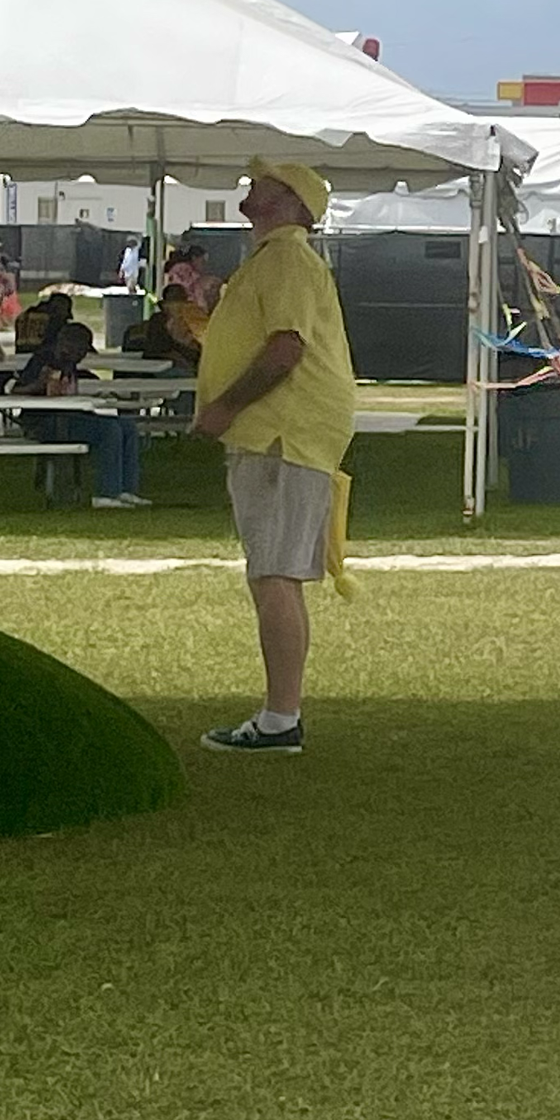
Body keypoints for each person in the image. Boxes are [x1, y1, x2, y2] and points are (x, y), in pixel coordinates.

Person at [194, 165, 358, 752]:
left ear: (290, 202)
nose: (251, 185)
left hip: (280, 433)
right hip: (278, 433)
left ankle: (280, 719)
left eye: (265, 181)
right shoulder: (274, 261)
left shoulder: (287, 258)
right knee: (271, 572)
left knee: (274, 574)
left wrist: (223, 408)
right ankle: (279, 715)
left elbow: (285, 348)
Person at [16, 314, 148, 506]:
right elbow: (17, 390)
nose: (83, 356)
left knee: (127, 427)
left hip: (71, 416)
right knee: (109, 431)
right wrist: (39, 385)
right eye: (82, 350)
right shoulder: (44, 359)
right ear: (68, 345)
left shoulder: (69, 363)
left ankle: (126, 489)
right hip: (45, 422)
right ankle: (106, 493)